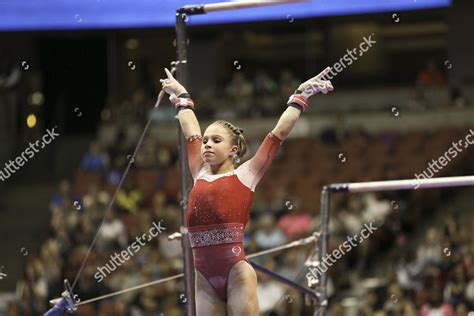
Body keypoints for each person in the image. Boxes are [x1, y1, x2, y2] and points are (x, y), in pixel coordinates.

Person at [160, 67, 333, 315]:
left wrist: (300, 95)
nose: (207, 144)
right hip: (203, 279)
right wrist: (181, 95)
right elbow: (190, 131)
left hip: (236, 274)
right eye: (206, 140)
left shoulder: (246, 174)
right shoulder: (199, 170)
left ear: (233, 150)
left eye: (216, 140)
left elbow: (278, 134)